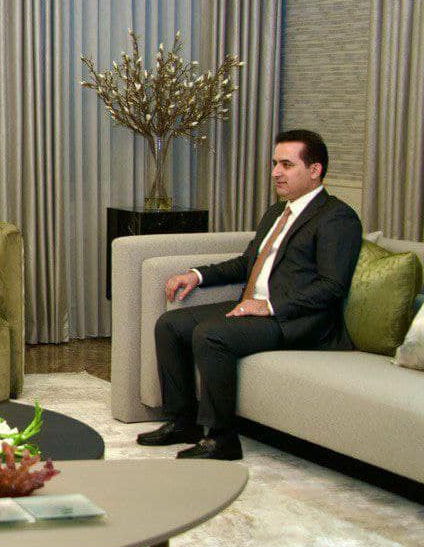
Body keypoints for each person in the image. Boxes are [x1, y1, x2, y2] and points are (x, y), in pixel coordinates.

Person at [137, 130, 362, 460]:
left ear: (315, 170)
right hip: (257, 308)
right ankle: (184, 422)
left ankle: (222, 439)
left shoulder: (336, 218)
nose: (276, 173)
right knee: (170, 325)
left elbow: (332, 286)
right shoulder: (277, 212)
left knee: (211, 335)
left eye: (286, 165)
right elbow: (247, 263)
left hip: (297, 320)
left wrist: (268, 306)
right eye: (274, 164)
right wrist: (196, 275)